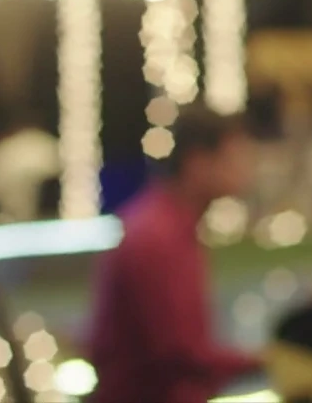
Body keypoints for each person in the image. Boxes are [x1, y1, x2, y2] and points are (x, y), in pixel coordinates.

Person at [85, 107, 262, 403]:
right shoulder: (157, 237)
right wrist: (268, 360)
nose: (247, 169)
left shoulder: (171, 224)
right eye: (235, 158)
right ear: (198, 162)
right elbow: (180, 354)